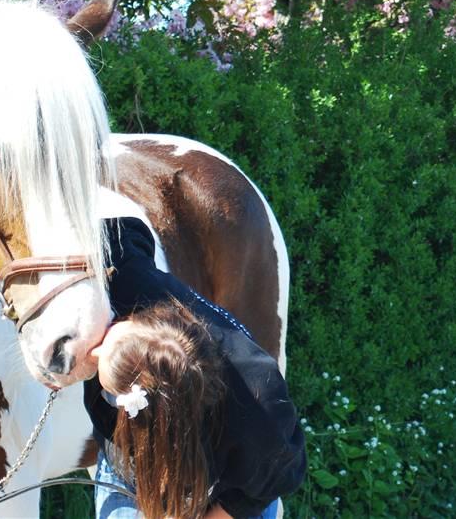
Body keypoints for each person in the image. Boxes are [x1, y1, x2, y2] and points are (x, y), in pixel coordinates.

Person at [83, 217, 307, 519]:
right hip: (133, 469)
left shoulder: (257, 400)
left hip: (234, 487)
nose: (93, 349)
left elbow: (281, 470)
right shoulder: (130, 285)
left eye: (106, 338)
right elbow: (118, 231)